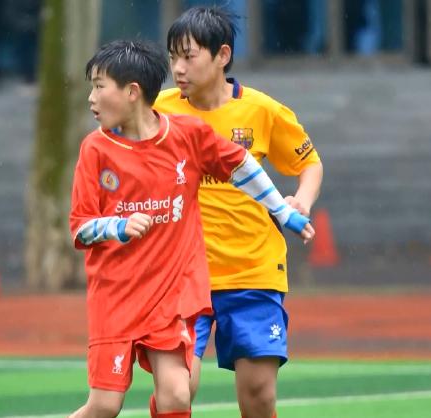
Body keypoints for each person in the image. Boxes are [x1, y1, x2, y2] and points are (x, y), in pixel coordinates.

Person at [69, 39, 315, 418]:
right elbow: (80, 228)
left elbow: (240, 164)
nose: (91, 98)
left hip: (170, 297)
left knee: (177, 394)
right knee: (104, 406)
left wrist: (282, 210)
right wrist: (116, 226)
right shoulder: (95, 149)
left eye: (99, 87)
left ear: (132, 92)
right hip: (115, 297)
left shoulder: (186, 134)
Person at [154, 6, 324, 418]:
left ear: (222, 55)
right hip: (183, 275)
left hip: (253, 270)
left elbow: (310, 164)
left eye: (188, 56)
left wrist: (301, 200)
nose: (178, 68)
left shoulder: (263, 110)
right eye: (172, 57)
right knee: (176, 391)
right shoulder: (158, 111)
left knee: (258, 395)